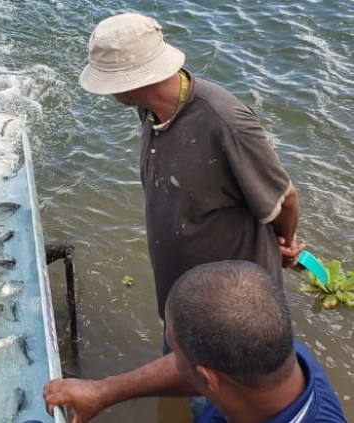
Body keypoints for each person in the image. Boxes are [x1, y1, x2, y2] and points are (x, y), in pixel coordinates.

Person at [78, 12, 305, 323]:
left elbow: (285, 199)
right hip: (183, 294)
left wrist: (287, 244)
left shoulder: (226, 123)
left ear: (130, 84)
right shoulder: (150, 110)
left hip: (235, 305)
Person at [44, 260, 348, 423]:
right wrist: (102, 392)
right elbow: (190, 369)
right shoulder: (281, 355)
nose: (172, 361)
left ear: (208, 377)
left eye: (175, 352)